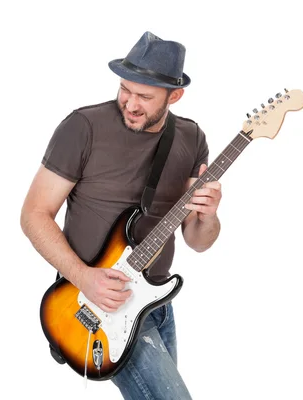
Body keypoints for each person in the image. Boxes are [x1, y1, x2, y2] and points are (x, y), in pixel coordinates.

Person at [20, 31, 223, 399]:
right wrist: (84, 278)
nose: (130, 103)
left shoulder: (192, 138)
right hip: (96, 302)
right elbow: (34, 214)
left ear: (174, 96)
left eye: (145, 96)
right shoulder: (84, 128)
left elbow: (197, 240)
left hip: (156, 304)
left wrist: (208, 215)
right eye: (125, 89)